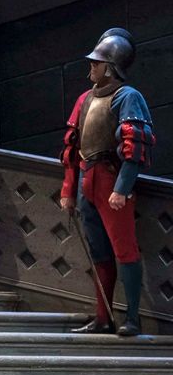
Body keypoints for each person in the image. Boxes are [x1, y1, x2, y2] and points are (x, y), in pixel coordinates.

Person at [60, 28, 155, 337]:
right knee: (99, 252)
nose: (92, 68)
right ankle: (103, 317)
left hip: (110, 180)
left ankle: (132, 318)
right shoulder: (84, 100)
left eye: (97, 63)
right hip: (87, 181)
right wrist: (68, 191)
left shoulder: (128, 97)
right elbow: (73, 149)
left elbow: (135, 146)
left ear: (111, 66)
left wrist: (122, 188)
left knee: (124, 249)